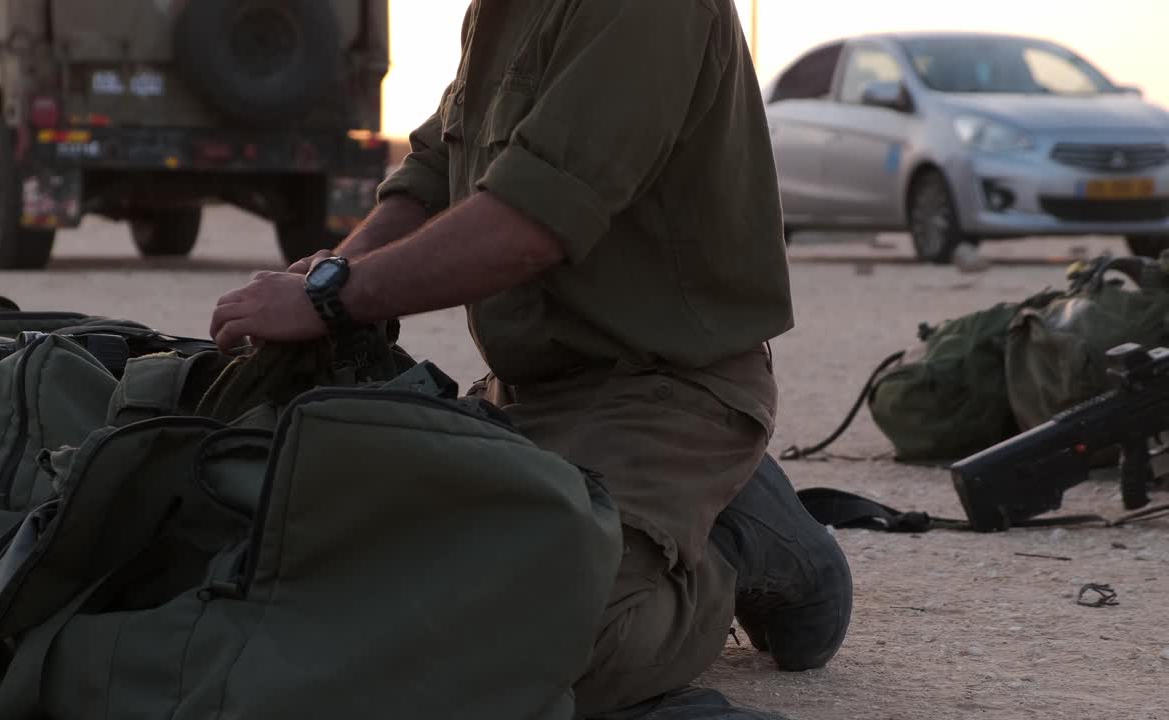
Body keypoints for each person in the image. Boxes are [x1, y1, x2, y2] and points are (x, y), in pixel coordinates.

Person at [209, 0, 852, 717]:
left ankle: (739, 538)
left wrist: (335, 296)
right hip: (526, 395)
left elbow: (534, 219)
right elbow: (434, 168)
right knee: (377, 599)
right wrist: (329, 272)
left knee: (553, 652)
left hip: (666, 389)